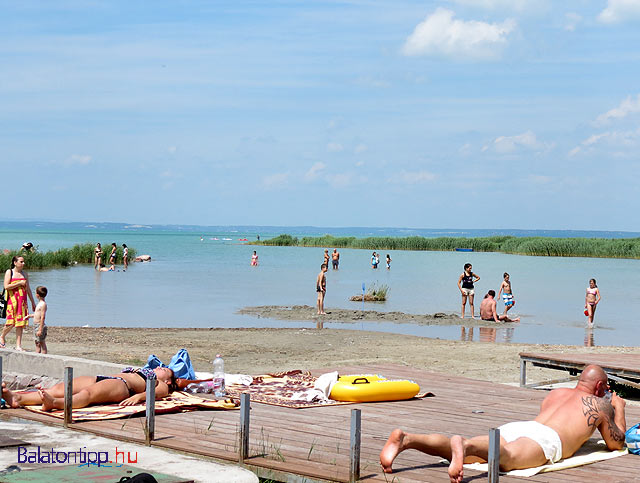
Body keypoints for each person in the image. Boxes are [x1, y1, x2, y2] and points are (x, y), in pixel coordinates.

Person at [380, 364, 626, 482]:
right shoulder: (600, 406)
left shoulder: (557, 393)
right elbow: (616, 443)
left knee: (480, 451)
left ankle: (408, 440)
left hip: (522, 426)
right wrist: (619, 409)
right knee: (504, 458)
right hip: (546, 439)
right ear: (599, 387)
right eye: (605, 388)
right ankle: (463, 446)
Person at [2, 366, 176, 411]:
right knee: (61, 387)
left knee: (88, 394)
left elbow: (159, 393)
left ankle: (54, 403)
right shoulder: (145, 370)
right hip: (105, 378)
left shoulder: (158, 383)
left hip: (123, 386)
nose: (160, 368)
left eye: (165, 370)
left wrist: (138, 398)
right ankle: (18, 399)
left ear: (168, 381)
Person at [0, 256, 36, 350]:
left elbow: (28, 289)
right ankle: (2, 336)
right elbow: (6, 286)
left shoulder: (25, 274)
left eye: (24, 262)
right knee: (10, 322)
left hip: (22, 302)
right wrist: (19, 283)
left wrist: (32, 302)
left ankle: (18, 345)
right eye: (21, 262)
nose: (23, 263)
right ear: (15, 262)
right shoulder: (10, 272)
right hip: (12, 301)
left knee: (20, 323)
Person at [25, 286, 48, 354]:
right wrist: (29, 316)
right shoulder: (39, 303)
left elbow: (42, 317)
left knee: (42, 342)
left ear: (37, 295)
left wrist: (40, 329)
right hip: (36, 325)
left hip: (39, 325)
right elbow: (37, 314)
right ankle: (37, 354)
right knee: (37, 342)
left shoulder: (43, 304)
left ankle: (44, 357)